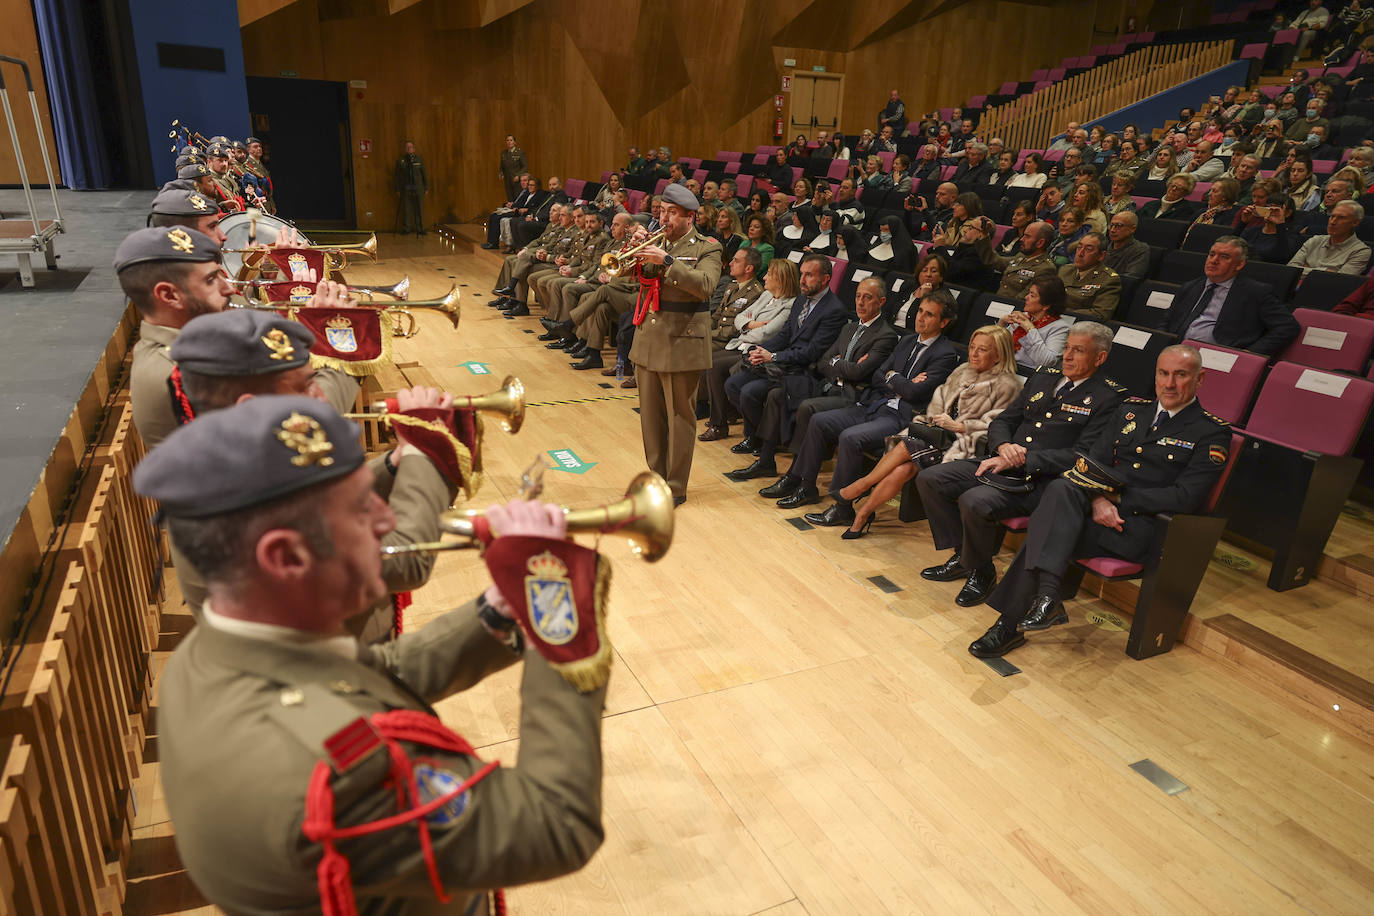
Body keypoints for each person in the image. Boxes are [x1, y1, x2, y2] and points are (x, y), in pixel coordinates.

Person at [134, 394, 610, 913]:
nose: (388, 520)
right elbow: (556, 824)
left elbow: (364, 678)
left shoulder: (214, 648)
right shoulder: (340, 779)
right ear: (286, 556)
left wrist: (498, 612)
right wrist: (552, 598)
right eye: (362, 509)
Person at [972, 345, 1230, 657]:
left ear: (1199, 379)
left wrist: (1115, 498)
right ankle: (1041, 601)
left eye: (1181, 375)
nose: (1169, 383)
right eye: (1163, 373)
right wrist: (1096, 499)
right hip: (1095, 512)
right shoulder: (1132, 411)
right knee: (1060, 492)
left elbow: (1185, 498)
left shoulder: (1210, 431)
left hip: (1137, 527)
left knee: (1047, 524)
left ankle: (1013, 621)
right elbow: (1090, 463)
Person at [916, 322, 1125, 607]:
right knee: (931, 479)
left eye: (1078, 351)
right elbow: (1004, 421)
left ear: (1099, 358)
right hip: (1002, 458)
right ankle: (968, 559)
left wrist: (1025, 458)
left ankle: (979, 571)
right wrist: (1003, 446)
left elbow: (1084, 456)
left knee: (974, 501)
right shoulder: (1044, 376)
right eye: (1066, 348)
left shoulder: (1109, 397)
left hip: (1040, 480)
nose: (1067, 356)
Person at [757, 293, 959, 523]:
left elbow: (915, 393)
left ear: (943, 322)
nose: (921, 318)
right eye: (921, 311)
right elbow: (878, 376)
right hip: (874, 404)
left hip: (901, 417)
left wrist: (892, 376)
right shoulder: (906, 340)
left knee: (850, 438)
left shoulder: (945, 354)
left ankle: (842, 507)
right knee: (819, 421)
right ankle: (804, 484)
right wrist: (898, 378)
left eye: (929, 314)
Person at [836, 325, 1023, 538]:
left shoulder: (1008, 385)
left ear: (999, 355)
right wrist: (938, 419)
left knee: (907, 445)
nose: (974, 353)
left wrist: (960, 426)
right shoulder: (962, 371)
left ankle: (860, 487)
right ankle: (863, 514)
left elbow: (999, 427)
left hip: (967, 446)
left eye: (982, 349)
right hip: (939, 436)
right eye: (972, 347)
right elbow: (938, 403)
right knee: (903, 469)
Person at [626, 184, 724, 505]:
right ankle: (656, 478)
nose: (663, 218)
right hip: (649, 339)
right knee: (651, 418)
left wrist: (667, 260)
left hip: (682, 342)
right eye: (662, 211)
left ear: (690, 216)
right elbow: (621, 274)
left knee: (680, 417)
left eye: (671, 213)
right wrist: (632, 249)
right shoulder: (657, 241)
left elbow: (706, 286)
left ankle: (676, 486)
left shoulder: (708, 248)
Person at [723, 255, 847, 476]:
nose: (802, 280)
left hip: (804, 373)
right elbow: (784, 335)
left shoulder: (834, 310)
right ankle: (759, 438)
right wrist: (760, 350)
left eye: (809, 275)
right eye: (802, 274)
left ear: (826, 279)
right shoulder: (801, 300)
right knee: (734, 383)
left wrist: (774, 356)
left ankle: (766, 457)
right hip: (782, 365)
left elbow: (813, 352)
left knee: (753, 393)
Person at [118, 227, 233, 450]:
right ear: (169, 295)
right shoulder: (181, 371)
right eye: (211, 280)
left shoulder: (186, 344)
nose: (228, 288)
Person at [700, 253, 792, 441]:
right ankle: (720, 415)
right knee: (710, 361)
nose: (764, 277)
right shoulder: (767, 295)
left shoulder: (789, 305)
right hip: (741, 343)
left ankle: (719, 424)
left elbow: (767, 334)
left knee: (714, 364)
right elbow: (740, 317)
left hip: (755, 350)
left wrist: (746, 327)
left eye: (769, 275)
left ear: (780, 279)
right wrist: (750, 324)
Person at [1162, 236, 1299, 355]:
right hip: (1177, 350)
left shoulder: (1256, 292)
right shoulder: (1190, 286)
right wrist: (1161, 343)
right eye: (1212, 254)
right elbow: (1166, 321)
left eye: (1224, 257)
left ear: (1239, 264)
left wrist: (1250, 353)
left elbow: (1287, 327)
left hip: (1219, 357)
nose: (1214, 260)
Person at [999, 275, 1075, 370]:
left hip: (1028, 374)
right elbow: (997, 347)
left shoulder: (1060, 328)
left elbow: (1048, 362)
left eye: (1032, 295)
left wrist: (1030, 330)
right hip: (1004, 367)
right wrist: (1002, 323)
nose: (1026, 297)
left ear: (1046, 305)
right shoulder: (1023, 317)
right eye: (1028, 293)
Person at [1287, 200, 1371, 274]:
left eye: (1341, 218)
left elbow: (1341, 282)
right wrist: (1327, 271)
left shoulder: (1361, 251)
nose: (1332, 222)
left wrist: (1305, 269)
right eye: (1332, 216)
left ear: (1355, 222)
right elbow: (1290, 269)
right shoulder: (1314, 240)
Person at [990, 220, 1058, 300]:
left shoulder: (1045, 268)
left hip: (1014, 308)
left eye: (1027, 236)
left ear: (1040, 243)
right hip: (997, 301)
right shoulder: (1021, 257)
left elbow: (1024, 299)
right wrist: (983, 238)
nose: (1022, 239)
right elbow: (997, 261)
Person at [1057, 231, 1119, 319]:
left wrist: (1062, 313)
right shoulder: (1065, 270)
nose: (1080, 253)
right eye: (1079, 247)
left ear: (1101, 255)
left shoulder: (1108, 280)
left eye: (1088, 249)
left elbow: (1100, 314)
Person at [886, 253, 949, 332]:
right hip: (890, 330)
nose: (928, 274)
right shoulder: (908, 286)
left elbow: (922, 326)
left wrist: (925, 297)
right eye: (924, 270)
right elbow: (888, 310)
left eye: (933, 271)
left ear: (941, 277)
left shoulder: (944, 298)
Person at [1240, 192, 1299, 263]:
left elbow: (1283, 255)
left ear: (1288, 213)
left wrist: (1280, 224)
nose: (1270, 211)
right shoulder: (1253, 231)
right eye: (1267, 207)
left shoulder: (1292, 236)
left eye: (1275, 209)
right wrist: (1243, 223)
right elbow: (1231, 246)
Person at [394, 140, 429, 235]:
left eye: (411, 147)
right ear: (405, 149)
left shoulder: (419, 160)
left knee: (419, 209)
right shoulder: (401, 160)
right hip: (406, 188)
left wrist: (426, 187)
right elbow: (397, 176)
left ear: (414, 149)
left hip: (418, 188)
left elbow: (424, 174)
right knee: (407, 209)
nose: (409, 149)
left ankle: (420, 228)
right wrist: (397, 188)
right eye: (407, 147)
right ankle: (407, 228)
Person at [1104, 211, 1151, 279]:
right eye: (1111, 225)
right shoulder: (1104, 245)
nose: (1112, 230)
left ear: (1133, 228)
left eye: (1119, 226)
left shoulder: (1140, 250)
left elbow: (1130, 278)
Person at [498, 135, 528, 201]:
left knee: (518, 200)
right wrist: (501, 173)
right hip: (507, 180)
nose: (509, 142)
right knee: (510, 200)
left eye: (511, 140)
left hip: (516, 180)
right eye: (507, 140)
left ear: (515, 142)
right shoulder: (504, 153)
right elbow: (502, 166)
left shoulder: (520, 153)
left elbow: (525, 167)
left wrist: (519, 176)